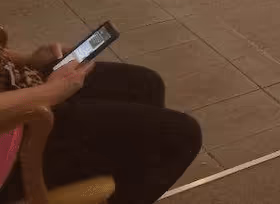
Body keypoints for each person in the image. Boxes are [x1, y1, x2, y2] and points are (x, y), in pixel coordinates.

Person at [0, 27, 201, 204]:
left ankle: (119, 183)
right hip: (14, 133)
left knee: (145, 84)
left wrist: (28, 60)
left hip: (19, 89)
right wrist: (51, 92)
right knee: (180, 136)